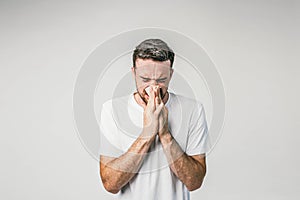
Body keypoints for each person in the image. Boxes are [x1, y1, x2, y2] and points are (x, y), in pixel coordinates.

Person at [98, 39, 209, 200]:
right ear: (134, 73)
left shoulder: (193, 109)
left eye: (161, 80)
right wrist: (148, 133)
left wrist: (165, 134)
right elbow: (110, 184)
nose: (153, 88)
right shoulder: (112, 110)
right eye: (145, 79)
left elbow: (194, 182)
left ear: (171, 74)